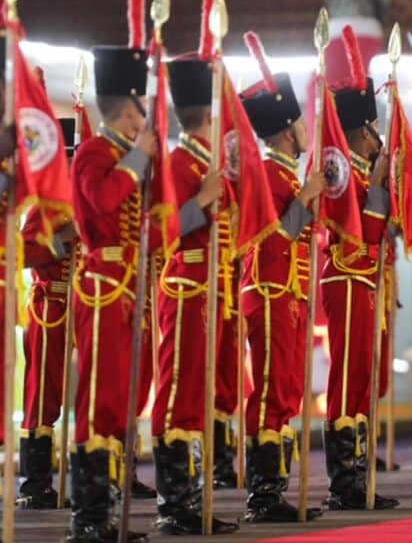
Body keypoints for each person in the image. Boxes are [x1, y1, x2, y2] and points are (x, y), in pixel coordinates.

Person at [148, 52, 239, 535]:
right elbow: (162, 231)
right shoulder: (178, 163)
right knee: (180, 389)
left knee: (206, 394)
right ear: (208, 114)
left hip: (215, 289)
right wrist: (202, 200)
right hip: (186, 286)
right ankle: (174, 504)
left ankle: (194, 498)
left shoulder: (210, 162)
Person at [68, 44, 156, 542]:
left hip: (131, 289)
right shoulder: (95, 154)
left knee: (122, 399)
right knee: (99, 400)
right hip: (103, 287)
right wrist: (139, 156)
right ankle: (89, 518)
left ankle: (107, 510)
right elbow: (102, 205)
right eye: (139, 109)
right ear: (128, 110)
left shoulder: (124, 154)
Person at [239, 36, 326, 522]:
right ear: (287, 132)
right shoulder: (270, 176)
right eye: (300, 123)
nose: (305, 128)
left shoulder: (286, 176)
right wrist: (308, 197)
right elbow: (279, 238)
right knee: (271, 390)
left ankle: (276, 489)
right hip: (269, 291)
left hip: (286, 295)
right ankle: (264, 496)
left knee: (288, 390)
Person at [319, 29, 399, 509]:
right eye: (373, 131)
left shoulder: (359, 168)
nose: (378, 139)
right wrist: (374, 186)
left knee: (365, 379)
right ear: (361, 131)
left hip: (365, 278)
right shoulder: (339, 170)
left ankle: (358, 478)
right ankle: (342, 483)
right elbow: (356, 232)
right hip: (346, 275)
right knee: (347, 378)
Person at [18, 119, 78, 510]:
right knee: (43, 394)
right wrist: (65, 238)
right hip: (51, 305)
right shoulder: (46, 204)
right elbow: (27, 251)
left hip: (83, 304)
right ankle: (34, 482)